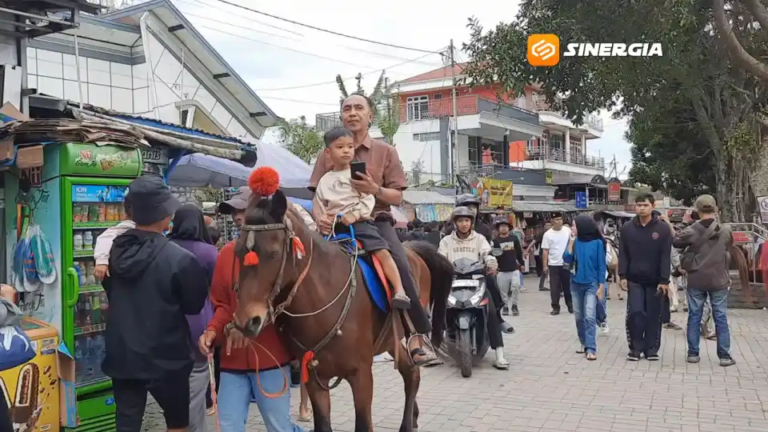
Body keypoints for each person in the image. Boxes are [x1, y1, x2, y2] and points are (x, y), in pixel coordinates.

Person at [309, 93, 436, 365]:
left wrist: (374, 189)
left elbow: (397, 198)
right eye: (346, 108)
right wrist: (318, 217)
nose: (352, 113)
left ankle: (415, 333)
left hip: (373, 221)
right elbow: (316, 195)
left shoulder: (385, 151)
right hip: (333, 225)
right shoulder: (326, 153)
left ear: (370, 116)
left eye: (358, 108)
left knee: (400, 261)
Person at [102, 175, 209, 432]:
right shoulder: (180, 259)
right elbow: (193, 306)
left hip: (123, 355)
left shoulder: (112, 252)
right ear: (164, 213)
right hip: (167, 356)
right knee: (177, 423)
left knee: (126, 424)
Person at [199, 240, 303, 432]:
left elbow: (291, 303)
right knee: (228, 427)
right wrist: (212, 330)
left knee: (279, 427)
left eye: (242, 211)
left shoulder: (279, 252)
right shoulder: (227, 253)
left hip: (271, 360)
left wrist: (246, 328)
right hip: (232, 362)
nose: (238, 217)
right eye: (233, 211)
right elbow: (222, 304)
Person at [312, 126, 411, 310]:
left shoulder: (358, 175)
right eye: (340, 147)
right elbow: (319, 202)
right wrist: (322, 219)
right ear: (328, 152)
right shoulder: (324, 180)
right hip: (334, 228)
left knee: (381, 251)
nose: (346, 151)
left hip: (360, 225)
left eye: (350, 146)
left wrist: (354, 215)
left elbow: (368, 199)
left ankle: (399, 291)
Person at [167, 205, 219, 428]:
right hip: (200, 323)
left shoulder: (165, 248)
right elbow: (217, 289)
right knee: (197, 384)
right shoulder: (208, 252)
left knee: (176, 388)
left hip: (168, 324)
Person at [438, 207, 508, 369]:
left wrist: (490, 261)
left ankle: (499, 354)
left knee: (490, 311)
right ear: (455, 223)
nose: (464, 224)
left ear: (472, 223)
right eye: (460, 221)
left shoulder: (479, 239)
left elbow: (487, 253)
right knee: (438, 308)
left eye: (467, 221)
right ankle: (431, 347)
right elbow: (441, 256)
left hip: (477, 280)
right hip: (453, 280)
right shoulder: (446, 241)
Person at [674, 195, 735, 367]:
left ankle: (693, 353)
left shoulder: (692, 229)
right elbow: (729, 246)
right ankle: (724, 356)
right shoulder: (726, 229)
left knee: (694, 315)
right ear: (715, 209)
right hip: (719, 279)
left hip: (696, 279)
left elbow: (676, 242)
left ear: (697, 210)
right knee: (720, 316)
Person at [619, 193, 672, 361]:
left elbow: (666, 256)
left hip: (655, 281)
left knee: (653, 315)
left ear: (653, 206)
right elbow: (623, 254)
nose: (642, 208)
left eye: (645, 205)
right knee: (635, 312)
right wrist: (622, 275)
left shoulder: (662, 229)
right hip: (634, 279)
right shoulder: (627, 228)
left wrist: (664, 280)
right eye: (639, 205)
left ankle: (651, 349)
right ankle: (635, 348)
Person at [563, 216, 606, 360]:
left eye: (574, 226)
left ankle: (591, 348)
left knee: (589, 316)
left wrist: (601, 285)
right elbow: (566, 259)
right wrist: (570, 242)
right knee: (579, 316)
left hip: (592, 284)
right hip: (575, 283)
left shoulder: (598, 243)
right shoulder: (574, 242)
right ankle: (583, 342)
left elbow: (601, 265)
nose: (572, 228)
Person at [492, 216, 524, 316]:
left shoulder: (514, 238)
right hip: (501, 270)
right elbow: (493, 255)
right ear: (498, 228)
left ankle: (514, 305)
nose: (503, 228)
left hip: (514, 269)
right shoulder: (495, 241)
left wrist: (522, 263)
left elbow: (519, 252)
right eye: (501, 226)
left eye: (505, 226)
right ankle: (505, 306)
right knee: (503, 291)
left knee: (516, 287)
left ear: (509, 228)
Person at [542, 213, 573, 315]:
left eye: (560, 219)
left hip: (566, 263)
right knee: (554, 287)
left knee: (567, 286)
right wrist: (545, 266)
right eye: (556, 219)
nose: (559, 221)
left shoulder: (567, 231)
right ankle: (555, 307)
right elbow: (545, 251)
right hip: (553, 264)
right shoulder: (548, 234)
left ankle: (570, 306)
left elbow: (572, 243)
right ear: (552, 221)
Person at [526, 222, 552, 291]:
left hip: (553, 253)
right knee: (546, 269)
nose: (548, 226)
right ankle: (544, 285)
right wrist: (527, 250)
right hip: (543, 253)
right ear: (544, 226)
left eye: (549, 225)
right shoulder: (542, 234)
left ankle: (542, 285)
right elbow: (533, 242)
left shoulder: (554, 233)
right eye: (547, 225)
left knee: (549, 269)